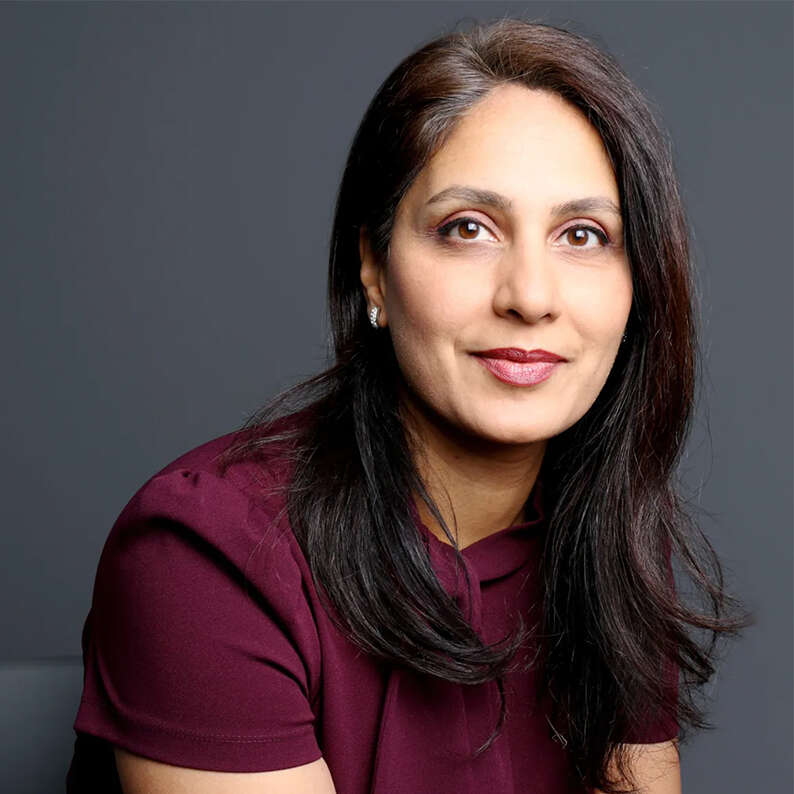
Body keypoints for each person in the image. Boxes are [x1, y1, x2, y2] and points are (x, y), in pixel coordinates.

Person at [66, 17, 749, 794]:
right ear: (375, 271)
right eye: (468, 228)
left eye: (584, 235)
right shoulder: (205, 555)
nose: (530, 296)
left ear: (640, 286)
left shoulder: (607, 539)